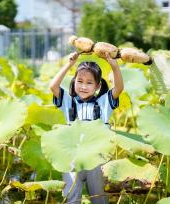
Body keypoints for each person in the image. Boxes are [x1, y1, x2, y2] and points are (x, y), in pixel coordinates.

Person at [49, 51, 124, 204]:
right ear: (74, 81)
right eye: (80, 81)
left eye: (89, 83)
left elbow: (119, 88)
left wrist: (114, 66)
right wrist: (69, 64)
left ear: (97, 86)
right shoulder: (68, 102)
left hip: (96, 159)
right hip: (72, 158)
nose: (83, 86)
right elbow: (53, 86)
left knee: (98, 199)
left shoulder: (104, 103)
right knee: (71, 198)